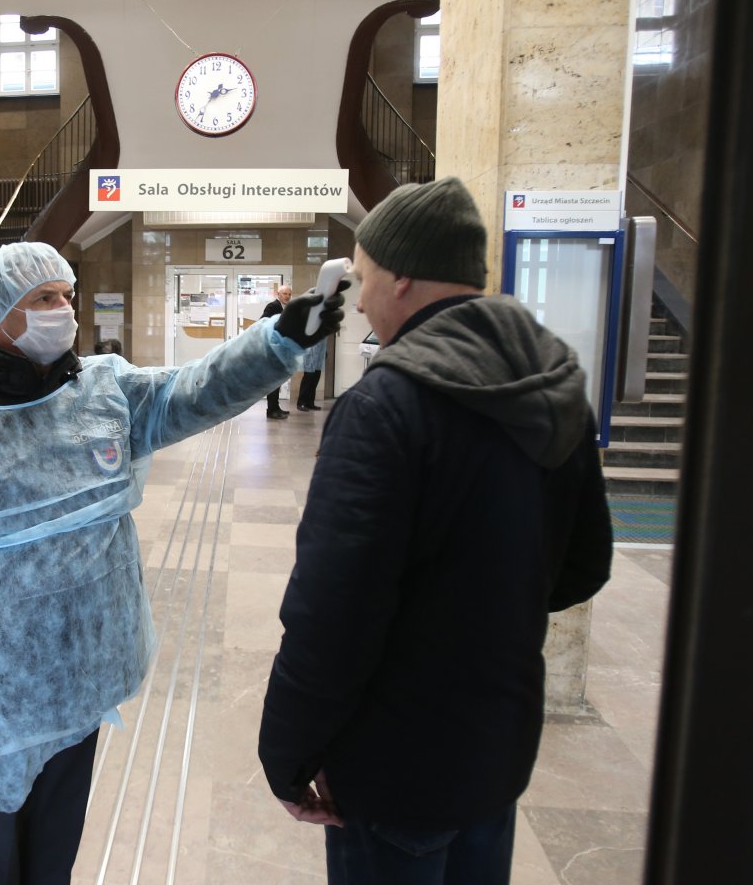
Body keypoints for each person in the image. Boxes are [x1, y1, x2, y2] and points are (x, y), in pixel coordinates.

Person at [0, 241, 346, 885]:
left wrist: (279, 339)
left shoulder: (102, 391)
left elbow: (193, 390)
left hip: (84, 674)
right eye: (43, 299)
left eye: (67, 295)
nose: (63, 310)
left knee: (56, 842)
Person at [258, 178, 613, 885]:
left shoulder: (388, 406)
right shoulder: (555, 380)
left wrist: (287, 756)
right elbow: (584, 566)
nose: (357, 300)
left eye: (363, 279)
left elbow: (332, 612)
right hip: (496, 748)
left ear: (404, 277)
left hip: (397, 762)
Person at [262, 283, 294, 419]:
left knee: (277, 380)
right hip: (272, 348)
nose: (287, 296)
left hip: (280, 348)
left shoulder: (284, 308)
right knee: (273, 380)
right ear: (278, 295)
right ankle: (272, 410)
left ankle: (276, 407)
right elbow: (263, 322)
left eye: (289, 294)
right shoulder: (273, 306)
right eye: (284, 294)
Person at [296, 338, 325, 411]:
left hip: (320, 347)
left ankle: (310, 402)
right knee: (309, 375)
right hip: (310, 347)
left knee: (316, 375)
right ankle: (301, 402)